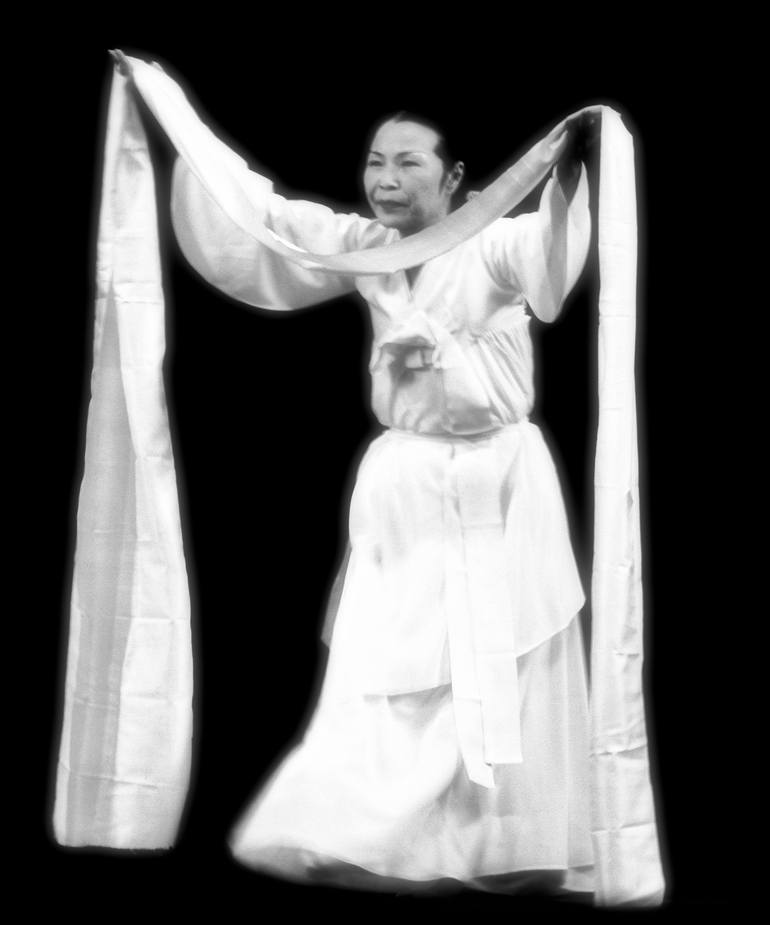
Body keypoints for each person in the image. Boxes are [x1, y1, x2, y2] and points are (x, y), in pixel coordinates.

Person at [170, 106, 598, 897]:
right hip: (405, 489)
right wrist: (176, 123)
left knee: (496, 661)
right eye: (376, 162)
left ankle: (497, 844)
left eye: (408, 163)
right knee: (384, 662)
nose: (386, 180)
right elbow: (269, 224)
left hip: (496, 484)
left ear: (455, 178)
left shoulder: (490, 243)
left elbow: (548, 255)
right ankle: (365, 834)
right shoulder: (369, 247)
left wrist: (564, 174)